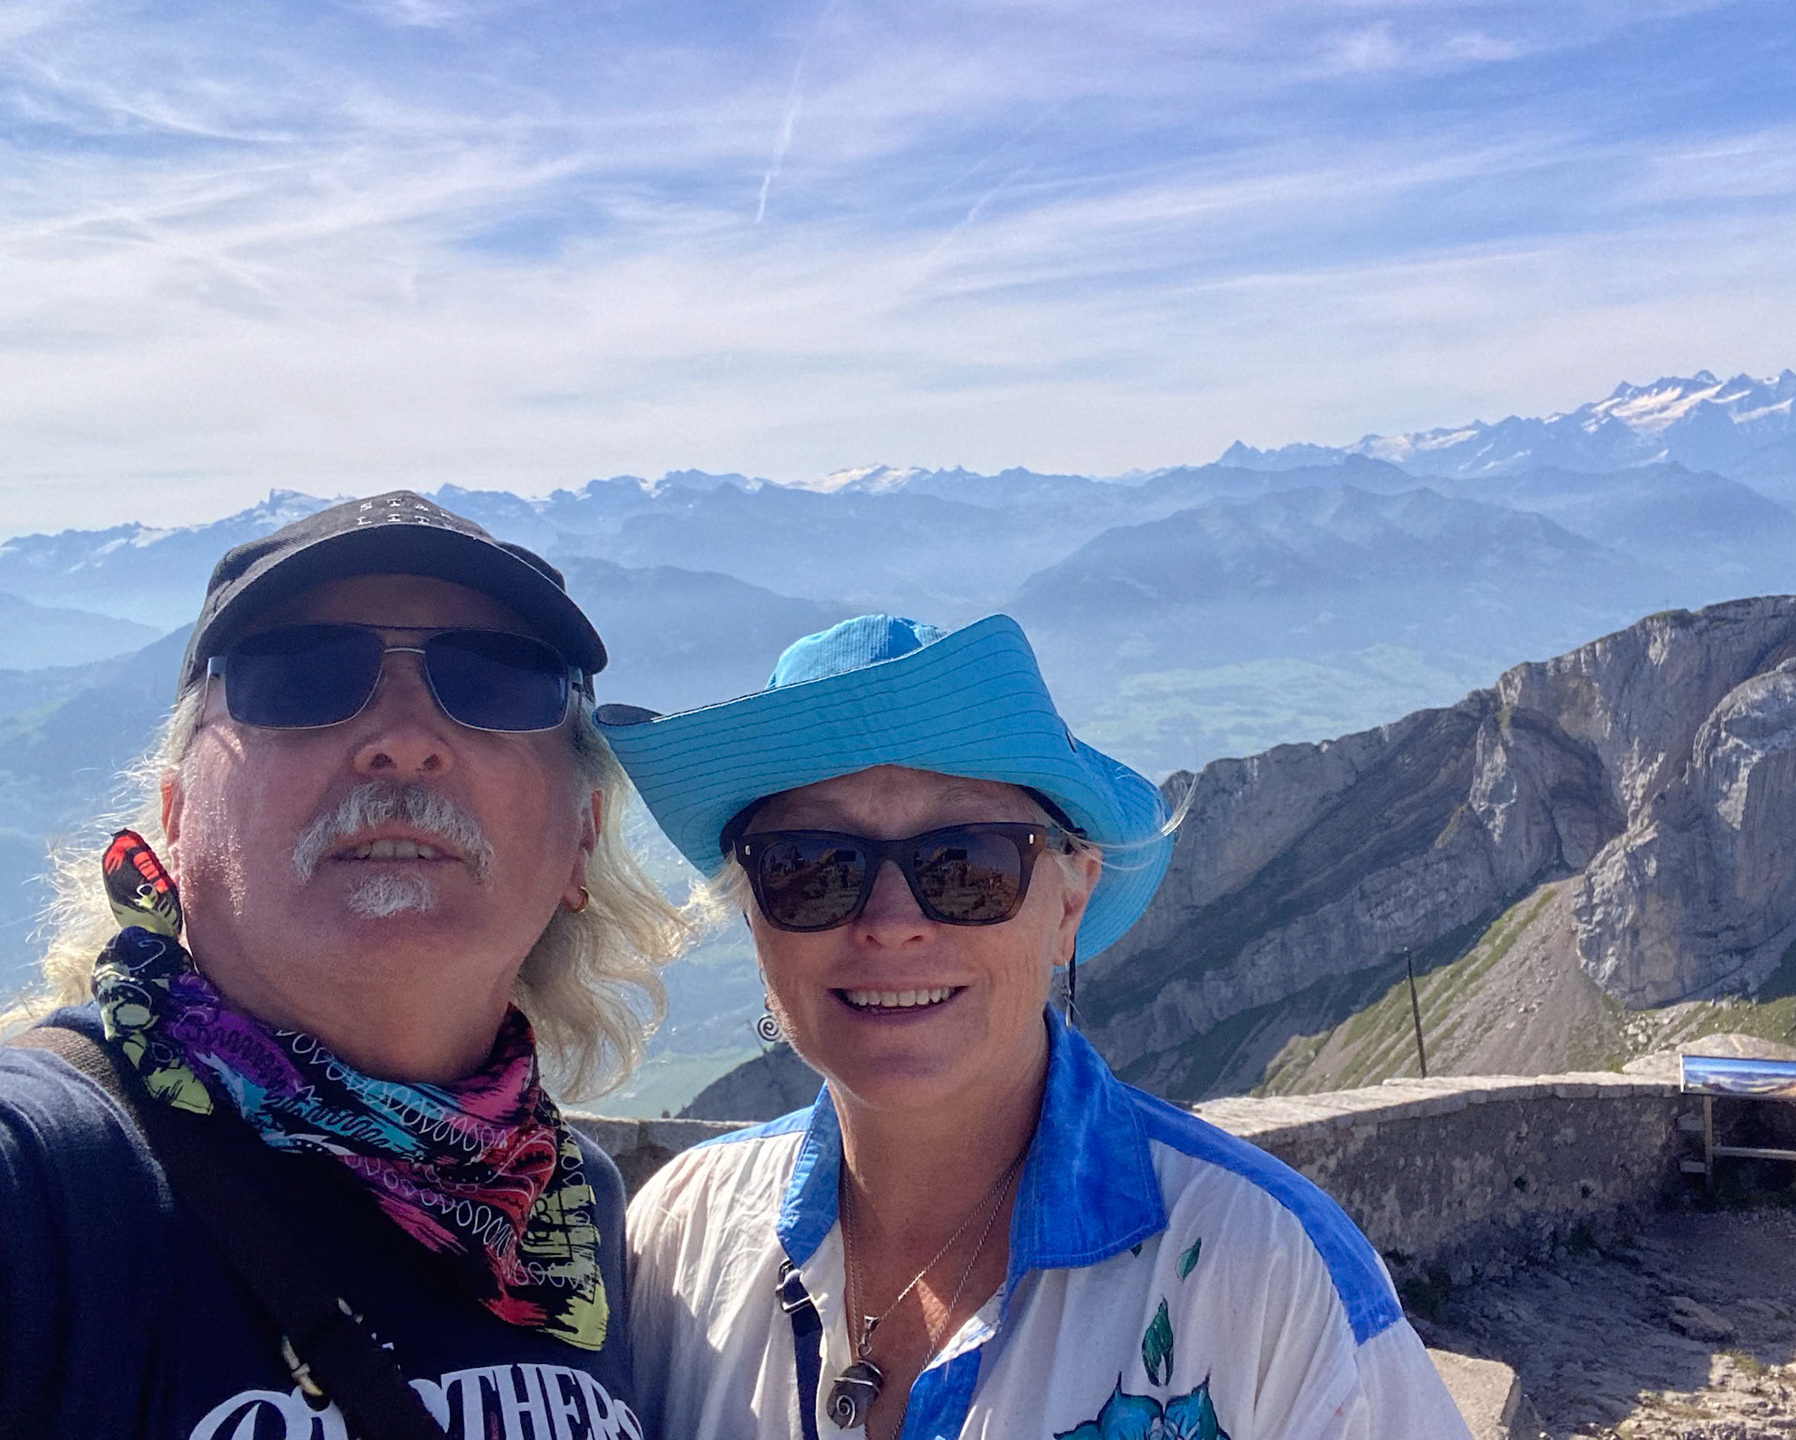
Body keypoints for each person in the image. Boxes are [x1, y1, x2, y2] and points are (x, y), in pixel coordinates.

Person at [601, 614, 1470, 1440]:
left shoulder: (1272, 1271)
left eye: (967, 862)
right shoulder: (680, 1237)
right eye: (813, 866)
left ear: (1071, 902)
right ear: (753, 914)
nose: (891, 923)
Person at [0, 491, 685, 1439]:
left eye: (494, 682)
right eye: (303, 678)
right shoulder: (49, 1184)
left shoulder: (569, 1213)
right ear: (178, 819)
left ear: (583, 836)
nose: (404, 740)